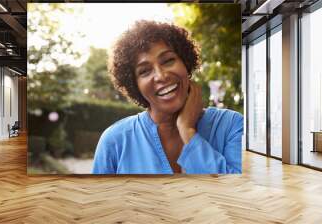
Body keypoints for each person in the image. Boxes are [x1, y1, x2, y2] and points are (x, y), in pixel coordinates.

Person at [92, 20, 243, 174]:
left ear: (185, 63)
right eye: (144, 71)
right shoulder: (115, 141)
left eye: (168, 60)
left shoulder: (231, 125)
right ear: (135, 85)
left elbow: (238, 193)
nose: (161, 76)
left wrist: (187, 131)